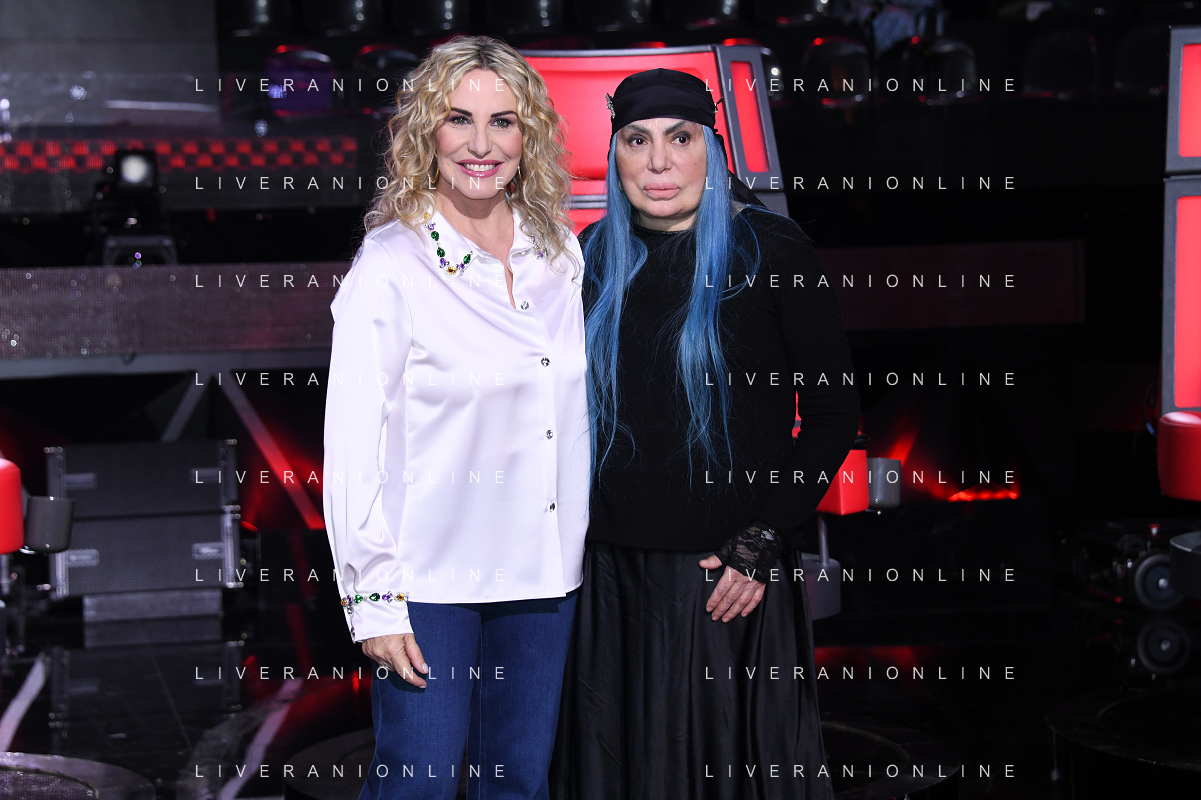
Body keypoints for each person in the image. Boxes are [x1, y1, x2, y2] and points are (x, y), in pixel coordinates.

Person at [550, 69, 860, 800]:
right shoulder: (589, 257)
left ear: (711, 150)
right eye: (637, 141)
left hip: (728, 582)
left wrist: (761, 541)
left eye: (680, 139)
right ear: (615, 156)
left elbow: (832, 415)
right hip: (609, 582)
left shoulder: (773, 250)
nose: (658, 163)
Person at [321, 35, 589, 800]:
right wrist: (373, 601)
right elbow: (352, 447)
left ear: (527, 135)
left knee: (520, 784)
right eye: (457, 119)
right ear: (424, 132)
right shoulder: (390, 265)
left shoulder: (557, 254)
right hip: (430, 582)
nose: (480, 144)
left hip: (543, 577)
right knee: (419, 785)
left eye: (502, 121)